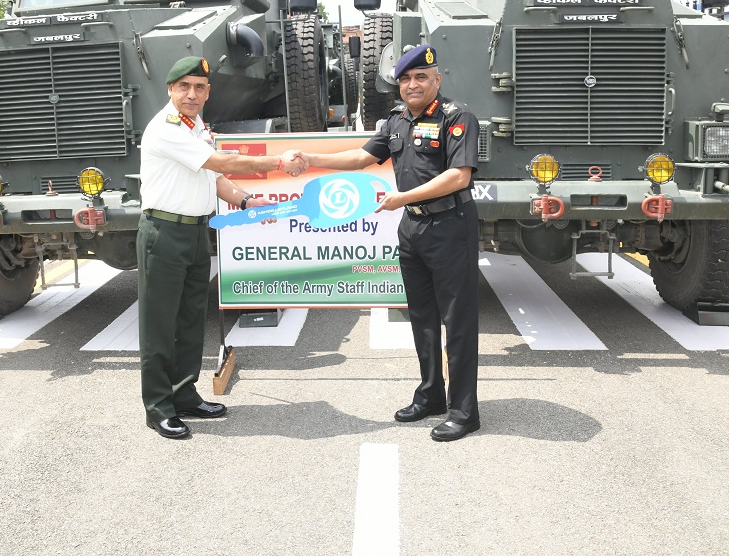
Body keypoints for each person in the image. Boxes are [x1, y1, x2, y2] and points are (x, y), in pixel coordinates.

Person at [297, 44, 482, 442]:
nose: (412, 85)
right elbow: (360, 158)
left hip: (451, 225)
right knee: (422, 318)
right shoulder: (396, 120)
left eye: (420, 78)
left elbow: (458, 176)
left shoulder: (457, 116)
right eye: (405, 79)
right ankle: (431, 394)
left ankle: (464, 411)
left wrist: (401, 199)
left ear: (436, 80)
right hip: (412, 230)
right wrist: (310, 157)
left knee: (459, 322)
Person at [138, 56, 303, 439]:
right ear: (170, 90)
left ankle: (184, 395)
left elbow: (215, 177)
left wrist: (246, 202)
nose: (192, 94)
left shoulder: (196, 128)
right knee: (159, 325)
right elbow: (221, 160)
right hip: (163, 233)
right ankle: (159, 407)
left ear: (208, 92)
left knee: (190, 320)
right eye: (184, 87)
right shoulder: (166, 129)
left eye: (199, 87)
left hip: (196, 232)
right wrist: (279, 161)